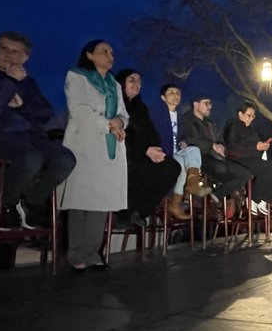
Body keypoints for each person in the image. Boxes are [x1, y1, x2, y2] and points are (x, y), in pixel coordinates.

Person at [0, 31, 75, 229]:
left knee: (65, 159)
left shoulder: (29, 83)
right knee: (30, 157)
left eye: (15, 52)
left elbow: (45, 112)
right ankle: (5, 207)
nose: (8, 55)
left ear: (25, 58)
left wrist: (22, 106)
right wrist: (9, 82)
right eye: (4, 49)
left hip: (31, 135)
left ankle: (31, 203)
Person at [58, 40, 127, 271]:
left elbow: (122, 112)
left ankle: (92, 252)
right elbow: (79, 109)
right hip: (85, 144)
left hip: (108, 146)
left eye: (112, 52)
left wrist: (120, 123)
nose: (110, 56)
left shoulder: (114, 84)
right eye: (104, 51)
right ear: (89, 55)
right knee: (81, 199)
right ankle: (76, 253)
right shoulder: (77, 76)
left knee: (101, 200)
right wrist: (107, 124)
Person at [115, 69, 181, 224]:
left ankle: (140, 211)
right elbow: (124, 134)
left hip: (145, 152)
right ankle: (124, 212)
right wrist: (145, 150)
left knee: (172, 167)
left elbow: (151, 131)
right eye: (132, 80)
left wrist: (156, 148)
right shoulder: (115, 105)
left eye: (139, 81)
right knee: (145, 168)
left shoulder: (141, 108)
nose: (137, 84)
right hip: (124, 152)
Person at [148, 82, 211, 211]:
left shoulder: (181, 117)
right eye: (171, 93)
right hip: (164, 152)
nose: (175, 95)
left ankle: (193, 182)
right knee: (180, 164)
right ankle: (175, 204)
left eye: (178, 93)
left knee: (194, 150)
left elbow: (183, 135)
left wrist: (183, 141)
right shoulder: (156, 115)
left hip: (177, 150)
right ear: (163, 97)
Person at [180, 93, 252, 201]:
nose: (210, 106)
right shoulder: (186, 120)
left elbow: (218, 139)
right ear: (196, 104)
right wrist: (212, 145)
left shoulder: (210, 123)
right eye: (206, 103)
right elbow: (188, 140)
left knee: (245, 173)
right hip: (199, 157)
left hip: (215, 156)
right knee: (222, 169)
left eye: (210, 104)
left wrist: (221, 146)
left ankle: (217, 195)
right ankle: (228, 194)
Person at [222, 101, 272, 215]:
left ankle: (264, 199)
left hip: (252, 159)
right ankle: (254, 199)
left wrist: (262, 147)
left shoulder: (251, 130)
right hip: (238, 160)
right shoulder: (232, 127)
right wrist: (255, 146)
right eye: (249, 115)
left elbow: (255, 146)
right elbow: (234, 146)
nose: (251, 118)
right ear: (240, 114)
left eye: (253, 116)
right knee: (269, 169)